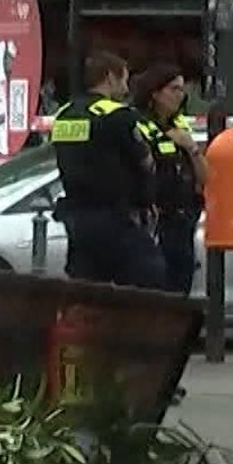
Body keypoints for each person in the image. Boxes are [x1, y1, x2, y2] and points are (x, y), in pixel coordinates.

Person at [49, 51, 165, 288]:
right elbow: (144, 161)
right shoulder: (118, 115)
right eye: (124, 78)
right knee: (148, 280)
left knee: (87, 290)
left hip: (77, 219)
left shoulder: (65, 114)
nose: (125, 85)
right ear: (110, 77)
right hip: (116, 217)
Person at [133, 63, 206, 293]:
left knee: (181, 284)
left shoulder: (180, 125)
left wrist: (192, 148)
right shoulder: (138, 125)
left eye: (182, 90)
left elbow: (205, 177)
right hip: (155, 222)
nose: (180, 96)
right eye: (174, 89)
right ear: (155, 92)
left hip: (184, 219)